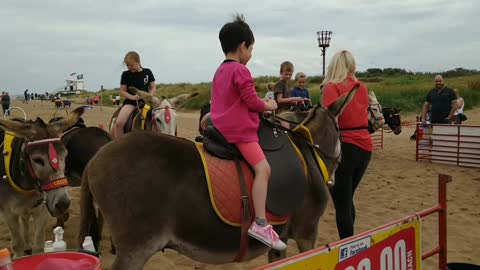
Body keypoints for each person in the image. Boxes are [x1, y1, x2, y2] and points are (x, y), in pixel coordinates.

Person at [210, 14, 285, 250]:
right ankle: (261, 223)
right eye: (251, 49)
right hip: (239, 131)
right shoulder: (241, 71)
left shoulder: (220, 71)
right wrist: (270, 105)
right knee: (264, 169)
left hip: (219, 126)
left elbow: (232, 99)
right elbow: (252, 102)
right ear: (242, 47)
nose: (251, 54)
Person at [321, 50, 372, 240]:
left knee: (342, 203)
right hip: (365, 146)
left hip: (344, 146)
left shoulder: (331, 88)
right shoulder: (362, 86)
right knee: (347, 198)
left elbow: (327, 122)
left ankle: (348, 248)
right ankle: (350, 243)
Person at [111, 51, 156, 138]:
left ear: (138, 62)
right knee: (119, 123)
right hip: (131, 102)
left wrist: (149, 97)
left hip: (147, 101)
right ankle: (120, 144)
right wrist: (133, 97)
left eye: (131, 65)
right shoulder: (126, 74)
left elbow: (153, 87)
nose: (129, 67)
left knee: (160, 116)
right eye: (128, 65)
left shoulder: (147, 72)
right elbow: (122, 91)